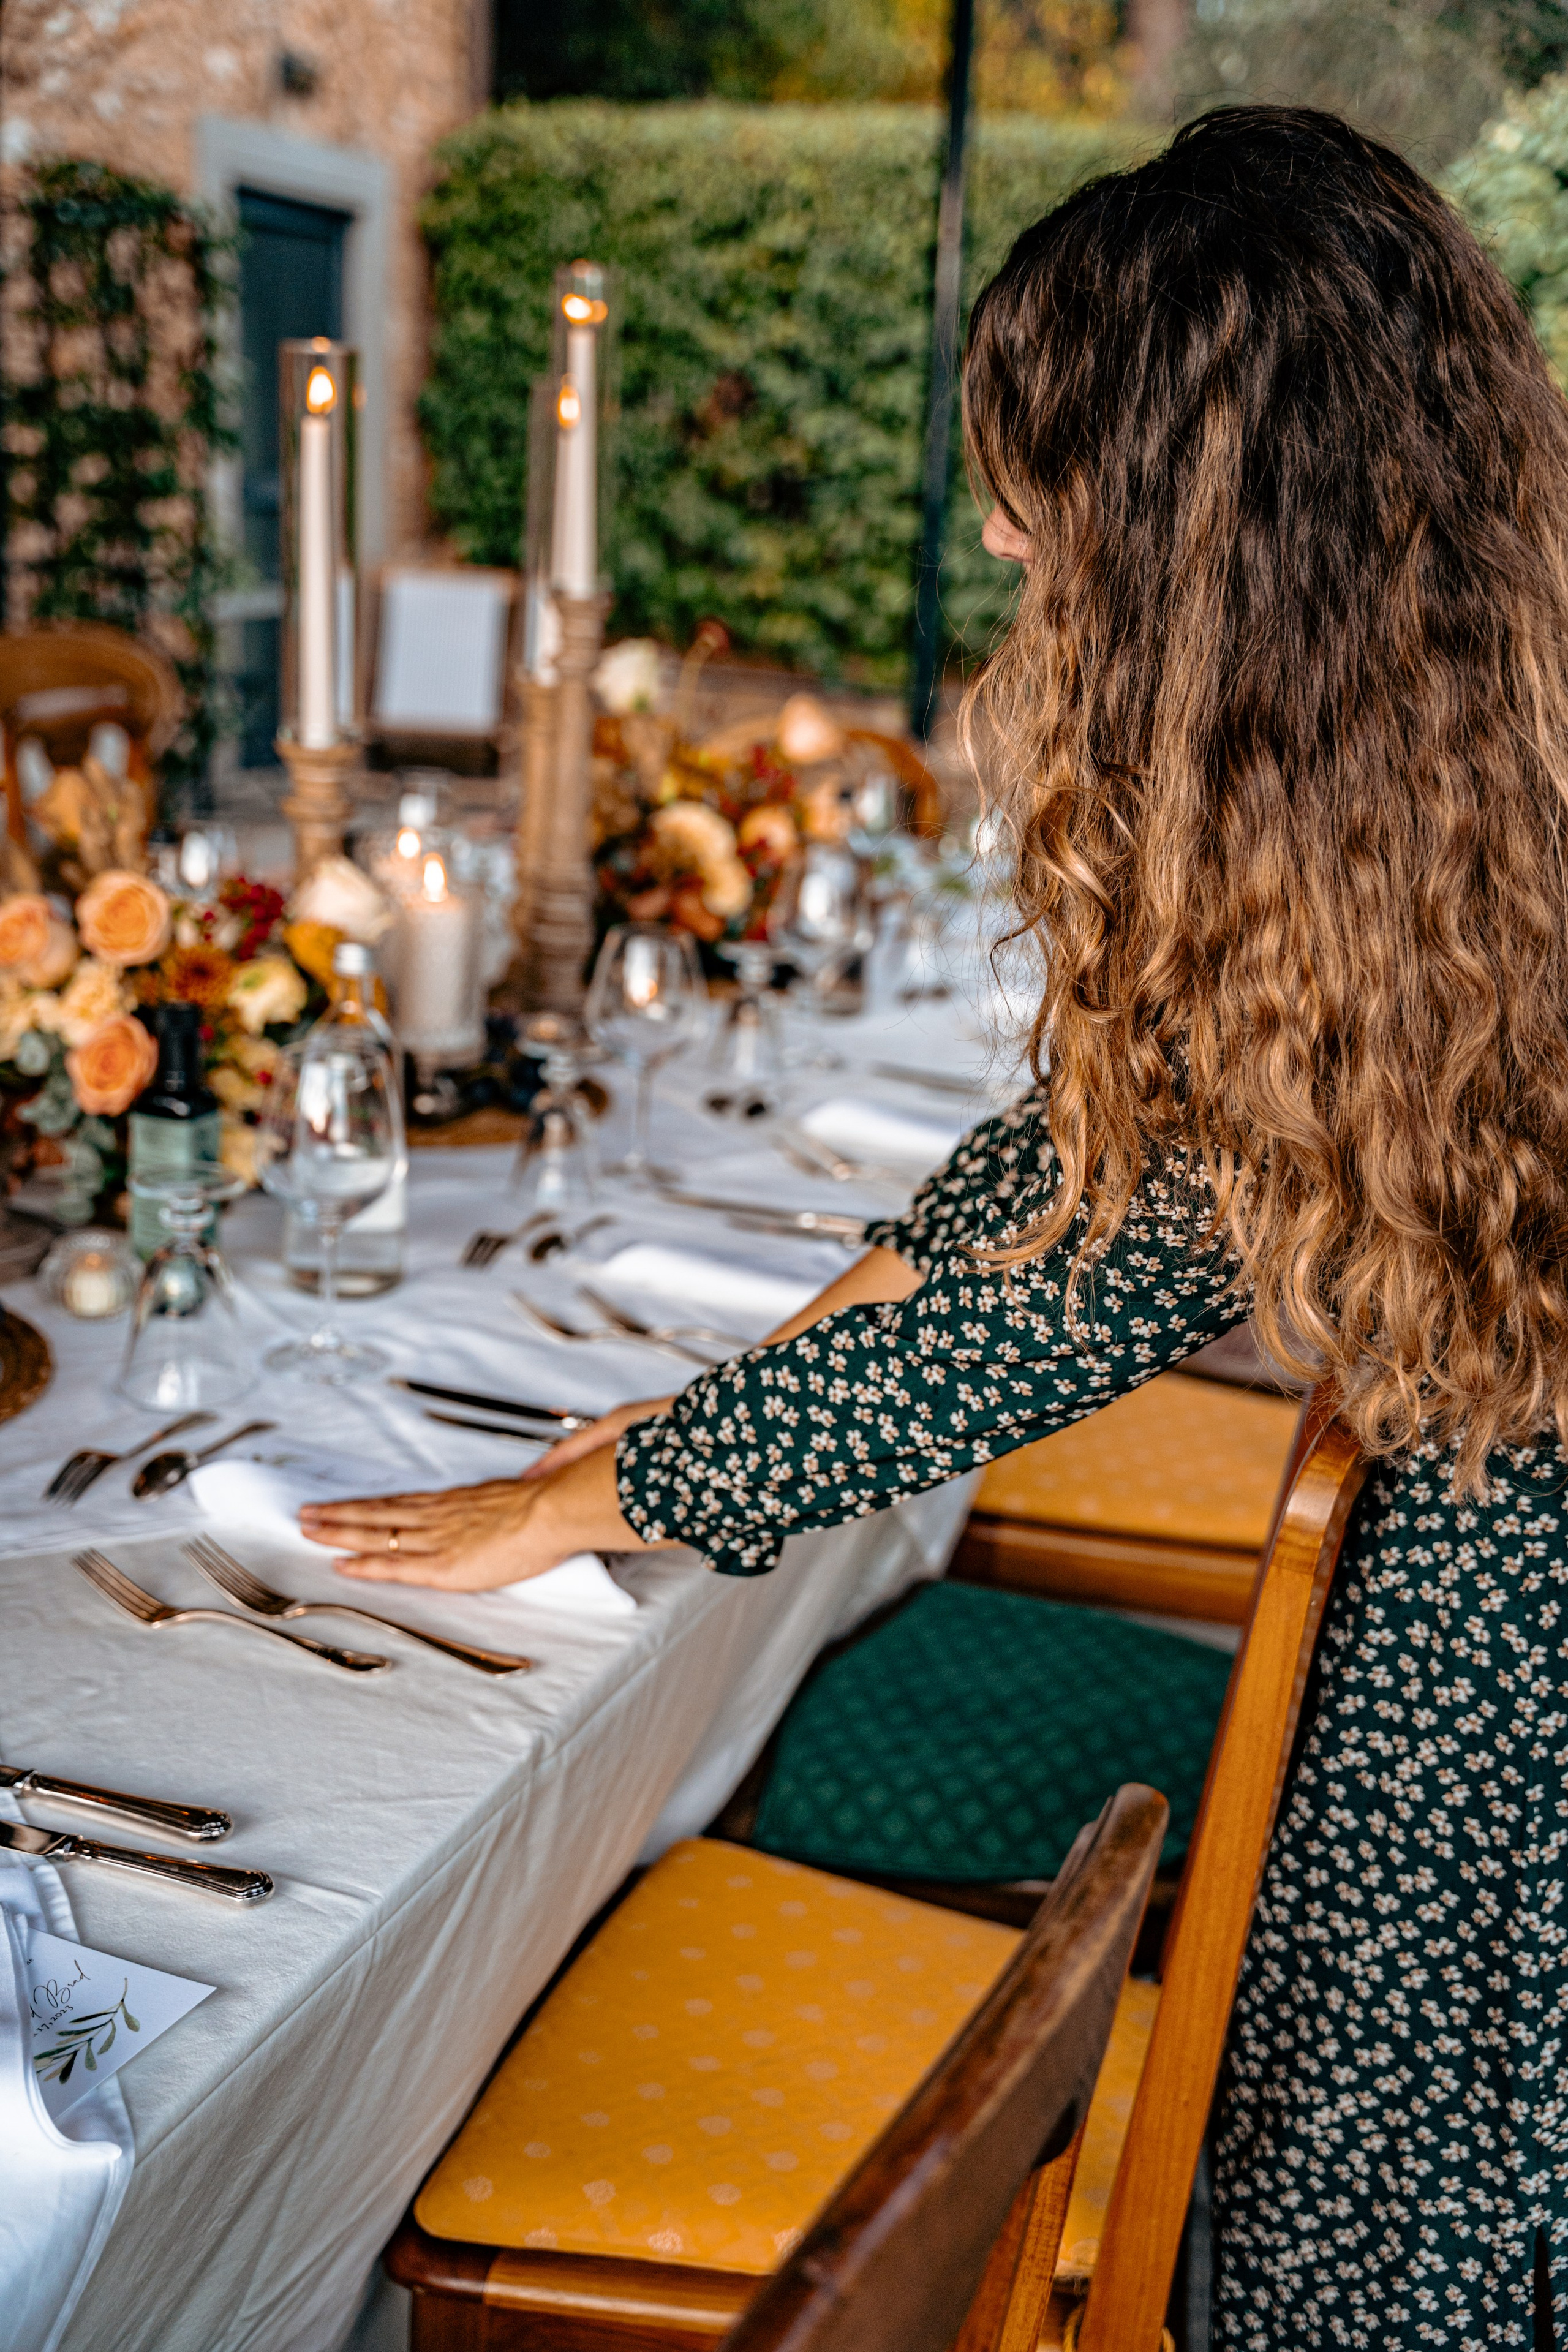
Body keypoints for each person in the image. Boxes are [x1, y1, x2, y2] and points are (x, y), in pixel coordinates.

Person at [301, 107, 1568, 2348]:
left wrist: (609, 1485)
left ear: (1211, 547)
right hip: (1478, 1583)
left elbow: (1072, 1281)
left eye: (1043, 501)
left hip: (1501, 1676)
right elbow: (1102, 1179)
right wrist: (732, 1391)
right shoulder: (1457, 799)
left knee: (1380, 2240)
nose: (1008, 546)